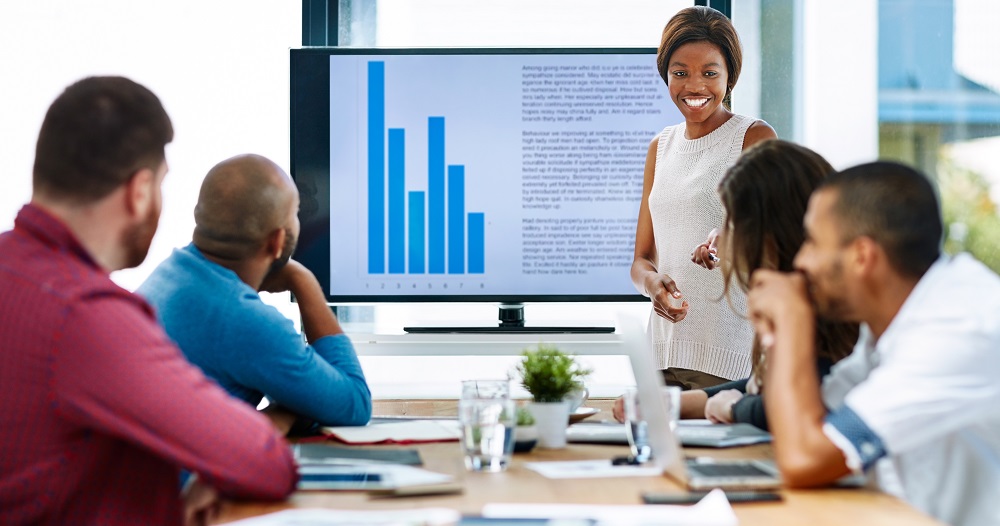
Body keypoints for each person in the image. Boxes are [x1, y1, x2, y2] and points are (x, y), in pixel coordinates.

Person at [0, 77, 296, 525]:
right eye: (160, 185)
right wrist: (268, 427)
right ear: (139, 193)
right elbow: (266, 463)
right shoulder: (87, 317)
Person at [748, 162, 1000, 526]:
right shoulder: (893, 318)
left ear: (862, 256)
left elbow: (804, 457)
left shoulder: (959, 327)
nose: (800, 261)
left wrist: (790, 322)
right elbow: (814, 418)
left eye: (813, 241)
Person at [614, 140, 857, 428]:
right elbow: (761, 387)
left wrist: (736, 409)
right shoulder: (807, 298)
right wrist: (672, 405)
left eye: (729, 219)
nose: (718, 234)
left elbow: (793, 405)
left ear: (769, 231)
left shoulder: (814, 312)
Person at [138, 154, 372, 431]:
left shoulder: (167, 276)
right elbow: (355, 404)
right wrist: (304, 281)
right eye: (296, 213)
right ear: (278, 241)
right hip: (191, 474)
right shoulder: (243, 318)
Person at [632, 6, 777, 390]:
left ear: (730, 77)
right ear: (666, 74)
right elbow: (641, 258)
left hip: (728, 356)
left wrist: (729, 241)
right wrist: (653, 286)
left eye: (710, 73)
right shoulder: (659, 147)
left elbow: (776, 242)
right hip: (660, 353)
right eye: (680, 73)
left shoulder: (753, 137)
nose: (694, 87)